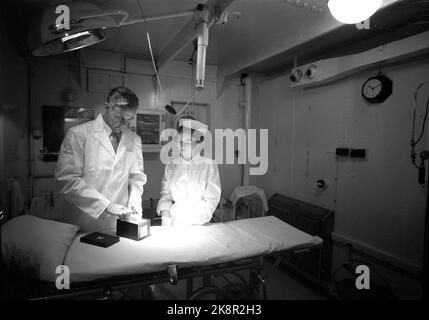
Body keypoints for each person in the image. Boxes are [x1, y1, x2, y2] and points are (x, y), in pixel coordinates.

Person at [55, 87, 147, 234]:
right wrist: (106, 205)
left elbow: (136, 178)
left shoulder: (134, 139)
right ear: (109, 105)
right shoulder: (79, 135)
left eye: (129, 119)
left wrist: (135, 203)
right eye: (120, 117)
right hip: (84, 223)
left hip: (120, 223)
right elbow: (67, 180)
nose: (124, 124)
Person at [157, 118, 221, 226]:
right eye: (180, 141)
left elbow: (211, 199)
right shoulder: (171, 165)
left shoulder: (209, 165)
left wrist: (194, 222)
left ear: (198, 143)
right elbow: (166, 194)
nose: (182, 146)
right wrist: (165, 211)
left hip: (198, 223)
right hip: (173, 220)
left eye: (188, 142)